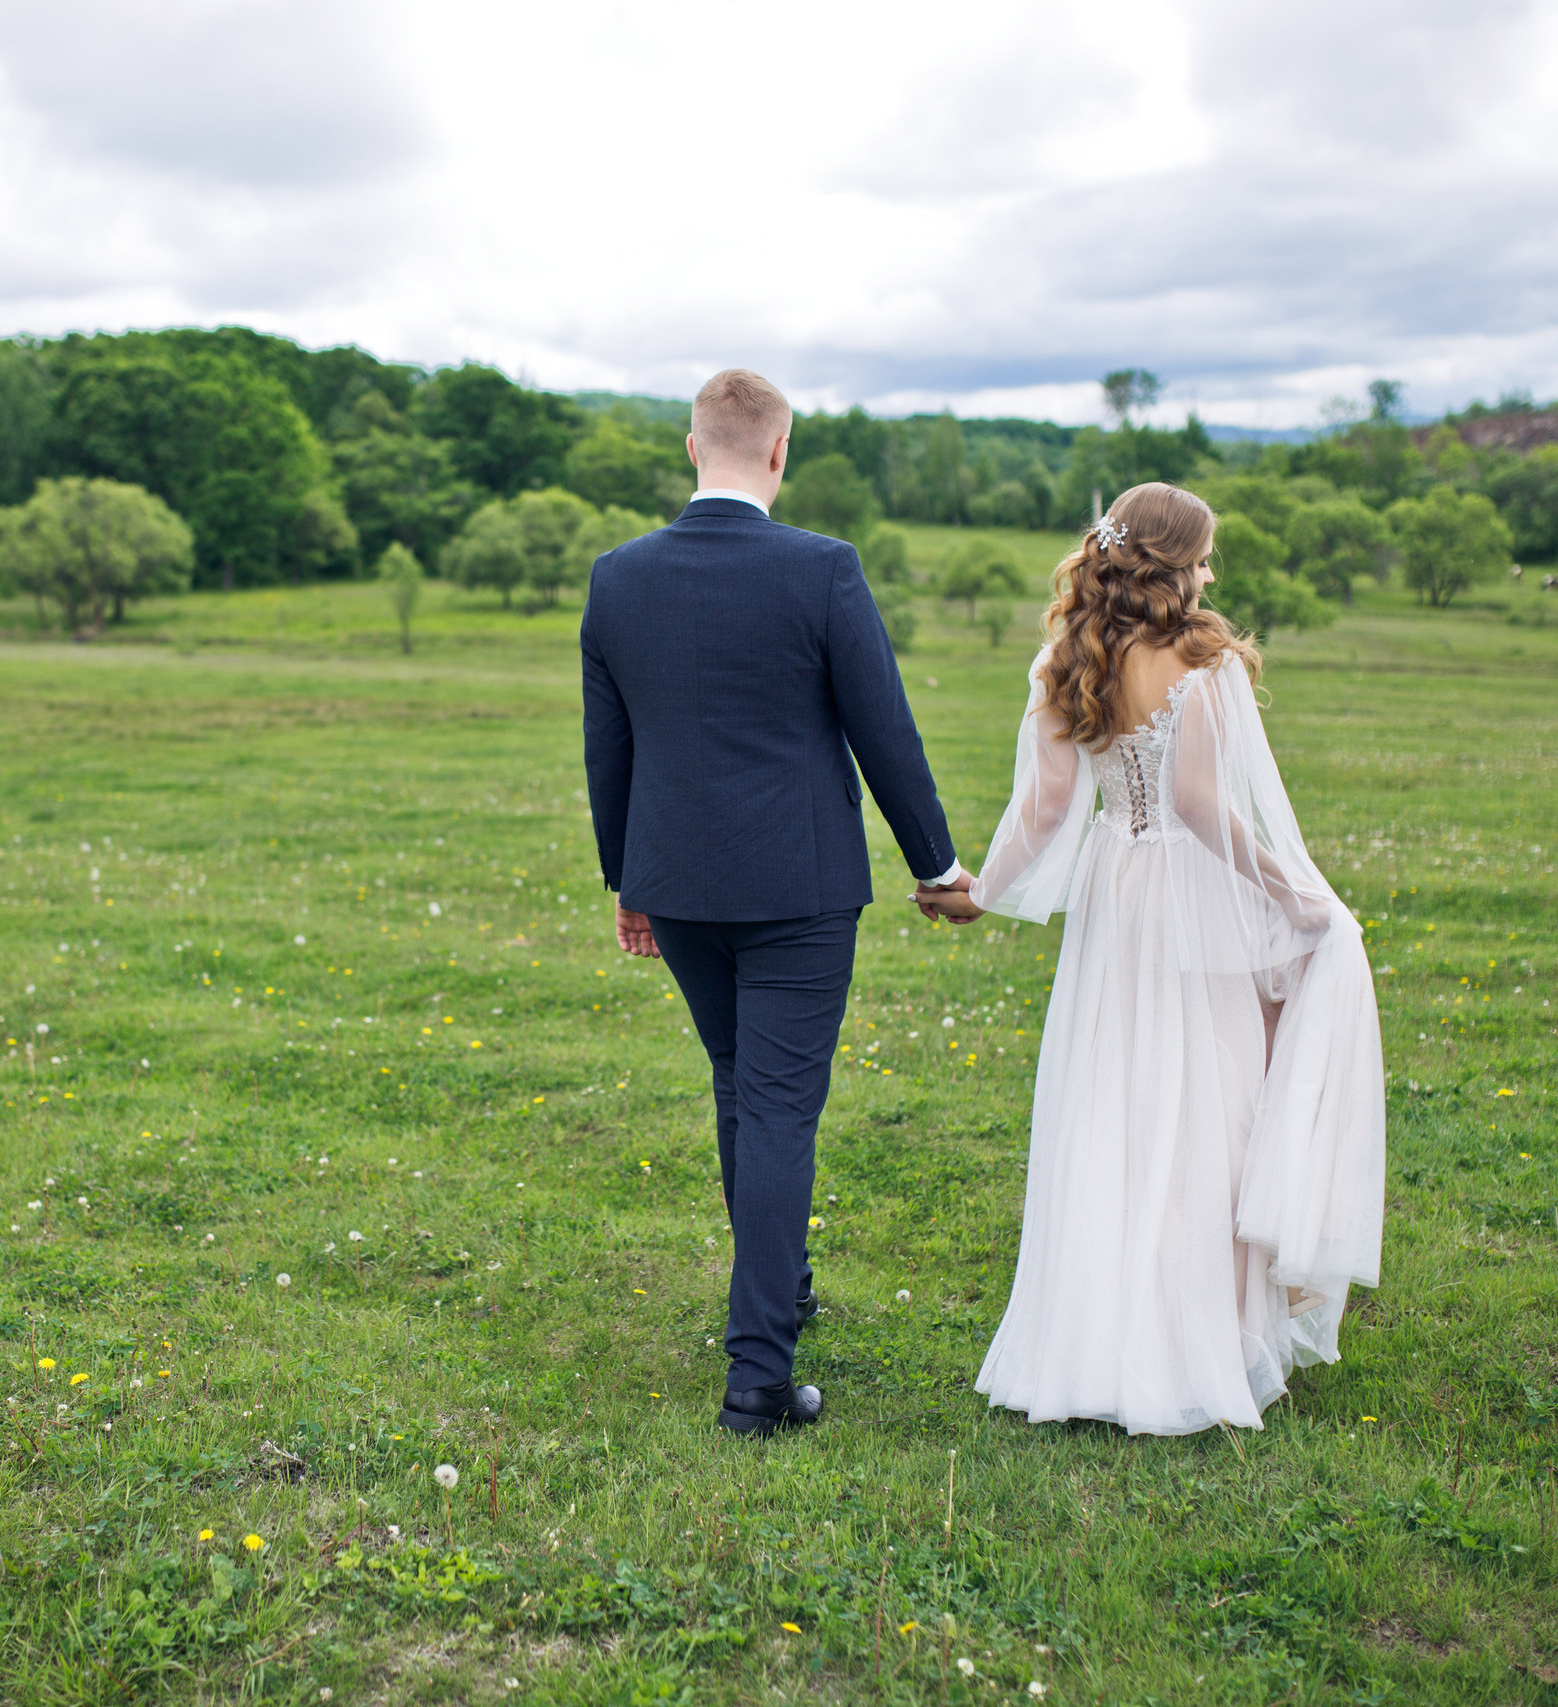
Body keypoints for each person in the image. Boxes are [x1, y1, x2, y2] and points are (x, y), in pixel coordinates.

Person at [922, 484, 1385, 1435]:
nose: (1212, 572)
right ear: (1173, 563)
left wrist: (979, 889)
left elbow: (1047, 809)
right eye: (1205, 555)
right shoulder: (1200, 656)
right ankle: (1192, 1338)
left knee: (1111, 1104)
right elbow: (1206, 804)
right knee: (1206, 1106)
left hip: (1113, 891)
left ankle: (1095, 1340)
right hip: (1188, 889)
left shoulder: (1068, 654)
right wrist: (1296, 893)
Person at [582, 367, 966, 1436]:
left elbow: (606, 748)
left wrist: (627, 881)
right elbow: (881, 729)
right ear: (779, 452)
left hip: (677, 885)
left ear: (692, 448)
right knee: (778, 1105)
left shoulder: (617, 578)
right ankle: (758, 1374)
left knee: (739, 1082)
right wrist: (935, 868)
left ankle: (778, 1284)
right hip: (797, 885)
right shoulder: (823, 570)